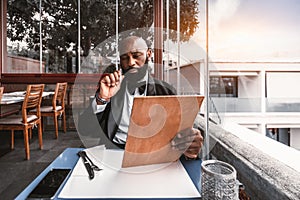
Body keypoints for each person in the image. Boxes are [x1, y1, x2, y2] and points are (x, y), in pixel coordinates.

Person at [78, 36, 203, 160]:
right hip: (114, 152)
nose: (131, 62)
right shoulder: (110, 88)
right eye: (125, 58)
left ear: (148, 54)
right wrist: (102, 99)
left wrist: (189, 144)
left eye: (136, 55)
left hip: (153, 156)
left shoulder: (166, 91)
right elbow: (85, 130)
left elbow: (180, 135)